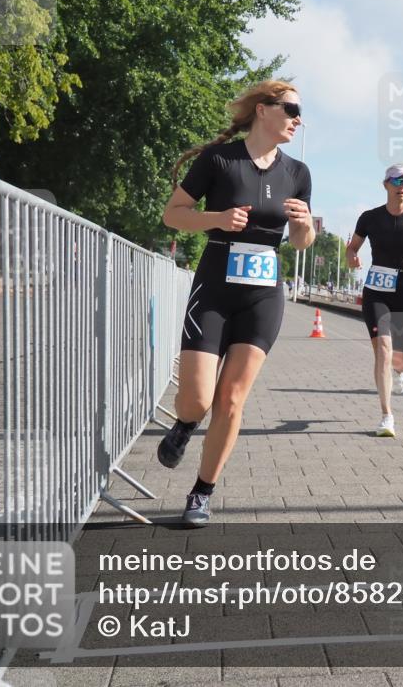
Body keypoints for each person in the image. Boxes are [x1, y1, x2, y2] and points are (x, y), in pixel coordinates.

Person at [160, 80, 314, 526]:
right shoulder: (219, 160)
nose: (297, 118)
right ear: (263, 110)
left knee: (231, 399)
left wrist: (304, 225)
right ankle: (186, 424)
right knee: (197, 397)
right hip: (214, 285)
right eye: (291, 108)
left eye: (299, 112)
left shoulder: (298, 172)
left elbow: (302, 242)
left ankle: (201, 493)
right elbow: (174, 214)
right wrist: (218, 219)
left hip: (263, 294)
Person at [346, 164, 403, 437]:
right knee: (383, 350)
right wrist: (352, 257)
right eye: (397, 180)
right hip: (377, 290)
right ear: (386, 184)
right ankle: (387, 416)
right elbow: (353, 247)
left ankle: (401, 370)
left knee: (401, 361)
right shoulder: (370, 217)